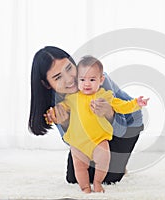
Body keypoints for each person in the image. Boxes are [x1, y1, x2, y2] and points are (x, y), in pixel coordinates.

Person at [28, 46, 144, 186]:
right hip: (90, 133)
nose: (70, 79)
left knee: (108, 178)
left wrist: (109, 113)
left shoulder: (98, 81)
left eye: (69, 68)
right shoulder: (56, 102)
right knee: (74, 178)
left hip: (126, 126)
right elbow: (72, 142)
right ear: (46, 84)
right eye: (58, 77)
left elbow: (121, 131)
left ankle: (119, 164)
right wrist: (66, 124)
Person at [56, 56, 148, 193]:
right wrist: (53, 114)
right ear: (77, 81)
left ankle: (98, 182)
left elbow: (122, 106)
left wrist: (136, 103)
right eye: (82, 80)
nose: (87, 84)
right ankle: (85, 188)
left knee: (103, 162)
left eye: (92, 80)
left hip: (99, 141)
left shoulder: (105, 96)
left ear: (101, 80)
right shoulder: (71, 99)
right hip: (79, 143)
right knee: (78, 167)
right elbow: (60, 110)